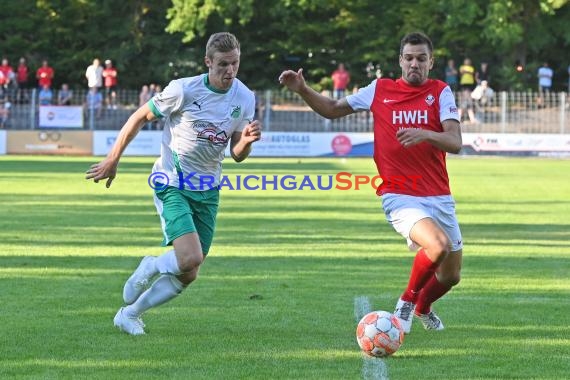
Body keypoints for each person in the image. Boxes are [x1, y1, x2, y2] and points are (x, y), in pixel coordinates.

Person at [279, 32, 462, 333]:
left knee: (451, 276)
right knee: (438, 246)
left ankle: (423, 307)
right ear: (400, 60)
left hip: (438, 194)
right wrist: (303, 90)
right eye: (409, 58)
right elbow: (333, 109)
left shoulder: (440, 92)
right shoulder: (380, 89)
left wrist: (425, 133)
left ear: (431, 62)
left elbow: (455, 141)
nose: (414, 64)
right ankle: (406, 302)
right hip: (399, 193)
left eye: (421, 58)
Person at [85, 32, 262, 335]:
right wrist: (113, 159)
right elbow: (139, 116)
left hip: (208, 188)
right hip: (172, 182)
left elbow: (235, 154)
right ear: (208, 62)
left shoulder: (244, 97)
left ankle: (129, 314)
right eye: (222, 64)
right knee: (189, 257)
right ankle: (152, 265)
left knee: (189, 272)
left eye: (234, 64)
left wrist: (245, 142)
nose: (229, 71)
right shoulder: (183, 90)